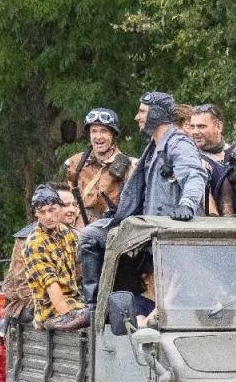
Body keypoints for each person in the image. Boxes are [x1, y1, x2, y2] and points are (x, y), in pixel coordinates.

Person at [77, 91, 207, 302]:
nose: (137, 117)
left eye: (142, 112)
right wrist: (121, 212)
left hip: (167, 228)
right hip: (145, 226)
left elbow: (194, 175)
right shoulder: (154, 146)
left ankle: (108, 308)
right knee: (92, 236)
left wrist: (187, 205)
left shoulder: (178, 143)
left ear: (156, 113)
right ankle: (94, 308)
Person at [22, 184, 89, 331]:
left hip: (75, 301)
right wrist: (68, 315)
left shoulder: (67, 233)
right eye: (42, 212)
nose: (48, 217)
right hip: (51, 311)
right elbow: (51, 285)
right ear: (35, 214)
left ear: (60, 207)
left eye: (52, 210)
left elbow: (81, 269)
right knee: (90, 318)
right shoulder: (35, 244)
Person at [63, 108, 131, 226]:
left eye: (103, 131)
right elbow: (66, 199)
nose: (98, 136)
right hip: (78, 227)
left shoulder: (129, 165)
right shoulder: (75, 162)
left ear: (113, 135)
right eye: (94, 131)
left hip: (112, 227)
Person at [185, 103, 229, 215]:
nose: (195, 132)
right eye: (192, 126)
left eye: (201, 126)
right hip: (206, 226)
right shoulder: (189, 158)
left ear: (218, 127)